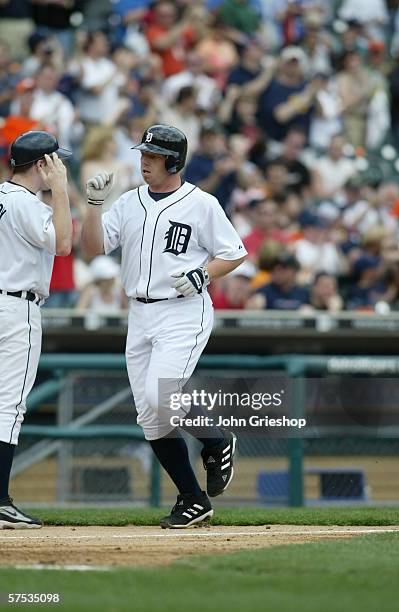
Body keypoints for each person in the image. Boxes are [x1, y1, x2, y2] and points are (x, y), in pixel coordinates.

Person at [81, 124, 247, 529]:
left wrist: (203, 275)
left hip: (182, 311)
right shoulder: (129, 201)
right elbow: (91, 248)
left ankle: (215, 439)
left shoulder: (201, 203)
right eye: (143, 154)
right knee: (152, 418)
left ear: (174, 160)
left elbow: (234, 253)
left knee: (162, 395)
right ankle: (193, 499)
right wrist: (93, 206)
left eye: (152, 156)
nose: (144, 161)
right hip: (139, 314)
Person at [0, 130, 72, 528]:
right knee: (8, 405)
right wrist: (60, 191)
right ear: (42, 164)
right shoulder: (28, 203)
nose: (60, 167)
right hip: (15, 307)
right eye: (56, 162)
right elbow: (62, 245)